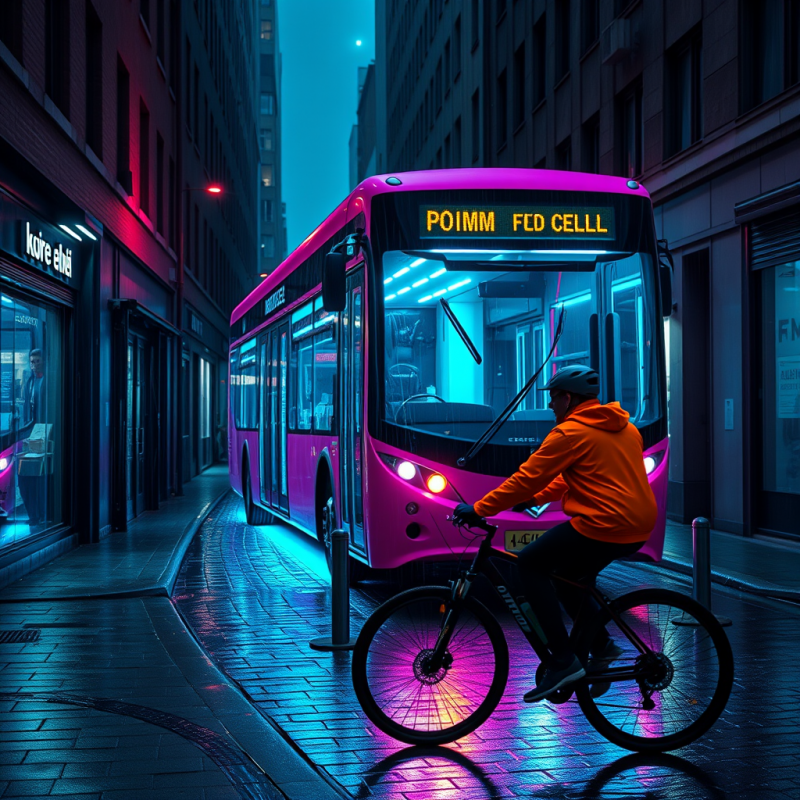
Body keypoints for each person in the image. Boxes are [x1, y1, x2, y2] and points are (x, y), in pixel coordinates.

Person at [453, 365, 658, 703]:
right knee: (565, 577)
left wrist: (480, 508)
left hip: (603, 524)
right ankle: (602, 646)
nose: (550, 405)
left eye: (552, 398)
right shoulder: (626, 429)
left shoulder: (569, 433)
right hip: (636, 524)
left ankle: (563, 661)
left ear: (567, 398)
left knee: (529, 564)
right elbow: (582, 475)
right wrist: (535, 498)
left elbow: (526, 477)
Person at [19, 349, 47, 527]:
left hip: (43, 434)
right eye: (32, 361)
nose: (34, 364)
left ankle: (40, 514)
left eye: (37, 361)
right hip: (31, 435)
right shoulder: (29, 382)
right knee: (25, 478)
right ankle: (34, 515)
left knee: (38, 478)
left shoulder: (46, 381)